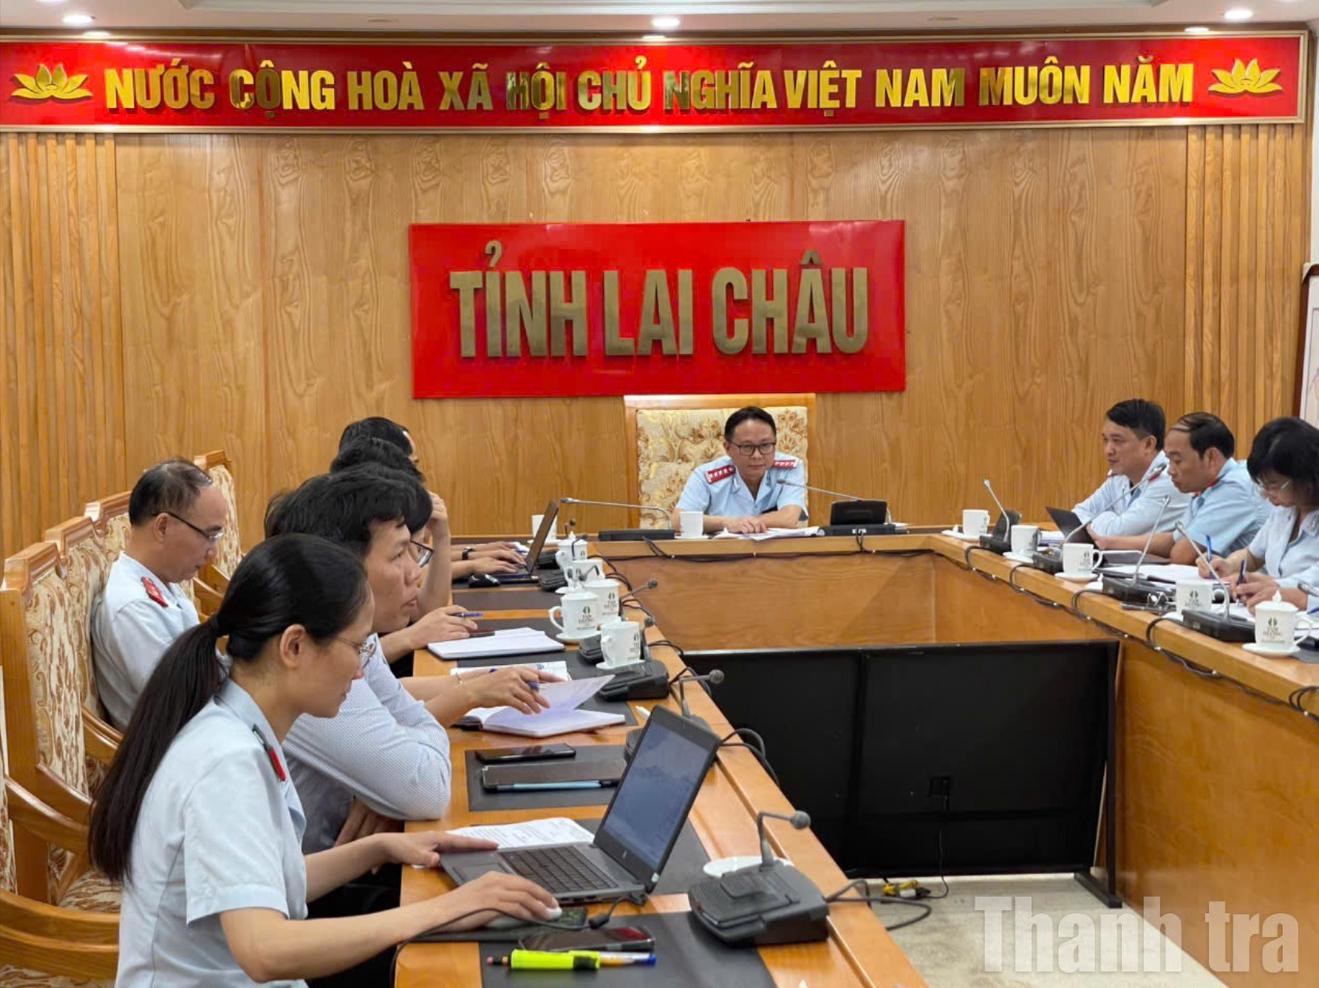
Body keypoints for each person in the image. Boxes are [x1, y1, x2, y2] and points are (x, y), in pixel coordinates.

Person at [88, 534, 556, 987]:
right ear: (293, 646)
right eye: (356, 648)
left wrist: (378, 849)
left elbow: (269, 881)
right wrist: (440, 910)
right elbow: (264, 950)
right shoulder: (226, 762)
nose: (360, 671)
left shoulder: (241, 724)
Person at [264, 466, 557, 857]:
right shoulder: (312, 658)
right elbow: (426, 788)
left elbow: (404, 722)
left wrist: (385, 786)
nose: (414, 573)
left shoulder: (352, 637)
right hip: (317, 882)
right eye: (400, 554)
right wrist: (396, 780)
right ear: (340, 568)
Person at [91, 458, 228, 729]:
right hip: (185, 746)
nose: (213, 553)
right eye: (208, 536)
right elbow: (185, 707)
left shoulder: (161, 580)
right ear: (163, 527)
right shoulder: (133, 607)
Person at [338, 417, 524, 580]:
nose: (415, 474)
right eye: (410, 464)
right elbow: (411, 575)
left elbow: (421, 558)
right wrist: (471, 564)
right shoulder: (360, 516)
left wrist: (472, 552)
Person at [1091, 412, 1268, 563]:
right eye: (1169, 460)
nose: (1170, 470)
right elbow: (1174, 539)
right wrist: (1109, 542)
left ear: (1211, 457)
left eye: (1177, 460)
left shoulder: (1235, 488)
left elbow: (1182, 555)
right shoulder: (1207, 487)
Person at [1200, 417, 1319, 610]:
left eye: (1273, 485)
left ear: (1305, 477)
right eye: (1263, 484)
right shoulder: (1285, 511)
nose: (1265, 493)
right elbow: (1253, 555)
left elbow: (1313, 581)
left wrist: (1273, 586)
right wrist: (1229, 565)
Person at [672, 407, 808, 534]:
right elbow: (678, 521)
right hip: (724, 551)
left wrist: (744, 523)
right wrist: (727, 523)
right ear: (727, 448)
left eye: (765, 445)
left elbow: (789, 518)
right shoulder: (706, 476)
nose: (757, 455)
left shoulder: (789, 468)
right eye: (747, 447)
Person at [1073, 398, 1189, 538]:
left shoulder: (1169, 480)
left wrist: (1105, 517)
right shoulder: (1121, 475)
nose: (1108, 450)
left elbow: (1115, 534)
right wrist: (1110, 520)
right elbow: (1076, 516)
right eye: (1105, 440)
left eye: (1117, 441)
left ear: (1148, 444)